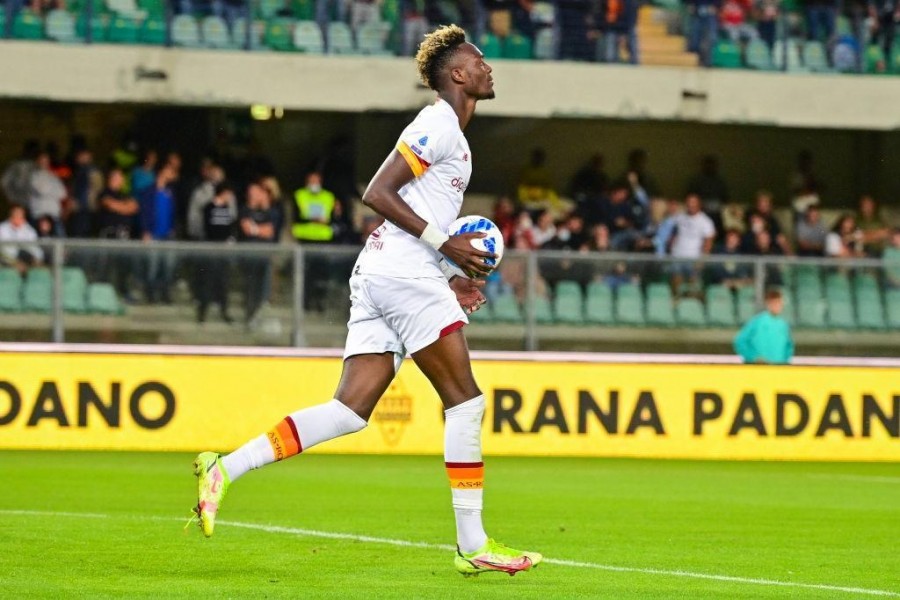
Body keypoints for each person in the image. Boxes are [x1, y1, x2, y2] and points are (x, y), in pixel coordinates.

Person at [190, 24, 542, 577]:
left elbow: (412, 219)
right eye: (478, 60)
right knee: (466, 402)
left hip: (386, 271)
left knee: (349, 411)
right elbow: (376, 192)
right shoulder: (438, 123)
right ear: (456, 74)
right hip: (399, 273)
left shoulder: (453, 135)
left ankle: (225, 467)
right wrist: (444, 244)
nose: (487, 67)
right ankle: (472, 546)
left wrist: (449, 275)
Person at [197, 182, 237, 324]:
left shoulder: (226, 208)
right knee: (207, 282)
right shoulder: (209, 207)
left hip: (223, 251)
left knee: (223, 282)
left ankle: (224, 311)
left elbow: (227, 227)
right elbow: (209, 229)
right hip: (211, 250)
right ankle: (202, 312)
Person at [239, 181, 278, 325]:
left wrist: (256, 229)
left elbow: (270, 232)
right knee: (250, 285)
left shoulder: (268, 212)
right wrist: (259, 230)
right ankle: (249, 315)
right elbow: (246, 229)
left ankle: (257, 313)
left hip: (264, 255)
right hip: (249, 255)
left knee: (262, 287)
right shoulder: (244, 210)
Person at [670, 193, 716, 295]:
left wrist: (702, 260)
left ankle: (690, 305)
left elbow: (708, 242)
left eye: (693, 202)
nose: (691, 205)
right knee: (676, 282)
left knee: (693, 286)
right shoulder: (680, 217)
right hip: (677, 256)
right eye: (689, 202)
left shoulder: (705, 221)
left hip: (694, 258)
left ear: (699, 204)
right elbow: (672, 232)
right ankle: (677, 301)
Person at [733, 288, 794, 364]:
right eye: (774, 303)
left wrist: (785, 362)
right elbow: (740, 341)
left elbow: (789, 347)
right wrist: (753, 357)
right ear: (768, 304)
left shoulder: (783, 325)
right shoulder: (758, 322)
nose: (777, 306)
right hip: (759, 369)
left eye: (779, 303)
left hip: (778, 369)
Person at [0, 204, 43, 273]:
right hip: (8, 261)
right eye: (16, 214)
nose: (18, 216)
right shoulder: (2, 228)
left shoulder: (29, 230)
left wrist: (37, 259)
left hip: (27, 259)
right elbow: (4, 250)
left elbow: (35, 248)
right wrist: (15, 263)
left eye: (20, 214)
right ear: (11, 215)